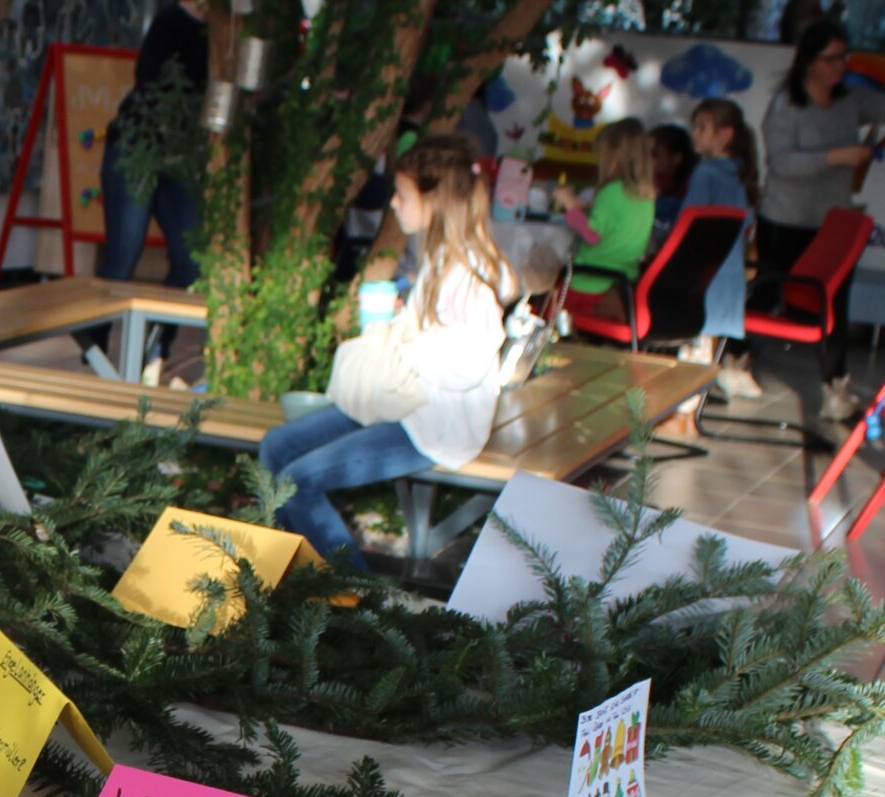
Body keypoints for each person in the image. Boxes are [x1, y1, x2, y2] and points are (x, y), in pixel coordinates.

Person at [260, 135, 513, 570]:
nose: (394, 204)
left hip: (433, 428)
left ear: (432, 200)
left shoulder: (466, 276)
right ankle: (306, 575)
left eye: (402, 194)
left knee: (297, 482)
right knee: (275, 448)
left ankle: (356, 594)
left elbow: (467, 367)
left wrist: (407, 344)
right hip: (405, 407)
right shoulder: (440, 261)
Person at [757, 18, 885, 416]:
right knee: (768, 294)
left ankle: (835, 388)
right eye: (831, 58)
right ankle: (732, 361)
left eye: (844, 57)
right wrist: (838, 156)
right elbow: (783, 163)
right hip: (784, 219)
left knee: (835, 304)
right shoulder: (786, 105)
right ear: (809, 62)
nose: (840, 65)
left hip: (830, 226)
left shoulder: (851, 101)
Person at [78, 2, 207, 362]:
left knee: (190, 256)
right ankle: (94, 346)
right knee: (123, 254)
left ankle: (156, 347)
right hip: (137, 149)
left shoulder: (224, 32)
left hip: (178, 158)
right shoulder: (169, 21)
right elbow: (148, 78)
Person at [679, 99, 762, 399]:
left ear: (725, 134)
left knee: (694, 342)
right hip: (729, 276)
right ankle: (703, 387)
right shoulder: (741, 174)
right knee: (707, 342)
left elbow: (687, 226)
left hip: (703, 274)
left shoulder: (706, 173)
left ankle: (687, 401)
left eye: (703, 128)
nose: (696, 135)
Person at [554, 119, 655, 320]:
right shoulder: (647, 195)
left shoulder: (611, 192)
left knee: (544, 293)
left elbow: (592, 235)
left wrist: (570, 205)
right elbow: (618, 224)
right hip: (621, 285)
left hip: (591, 284)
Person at [647, 123, 696, 245]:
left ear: (676, 158)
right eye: (645, 154)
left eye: (655, 154)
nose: (648, 160)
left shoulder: (691, 185)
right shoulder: (648, 180)